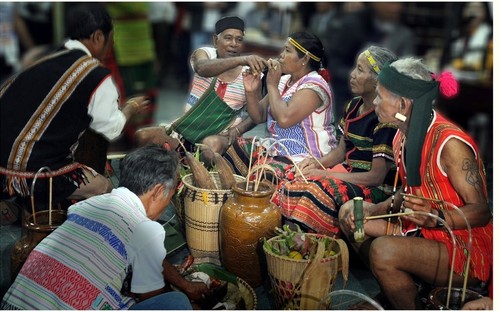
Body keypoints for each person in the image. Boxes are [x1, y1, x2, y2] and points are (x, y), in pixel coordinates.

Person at [339, 57, 493, 309]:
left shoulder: (451, 144)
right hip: (422, 231)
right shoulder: (402, 134)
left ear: (403, 103)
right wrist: (371, 211)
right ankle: (398, 293)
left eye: (380, 96)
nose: (374, 102)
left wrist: (435, 216)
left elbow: (482, 211)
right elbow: (407, 193)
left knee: (383, 251)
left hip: (463, 247)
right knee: (350, 215)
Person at [1, 144, 208, 309]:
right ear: (157, 191)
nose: (166, 206)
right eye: (169, 197)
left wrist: (185, 285)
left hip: (13, 305)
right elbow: (149, 295)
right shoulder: (145, 230)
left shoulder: (85, 206)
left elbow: (147, 252)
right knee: (175, 304)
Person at [0, 6, 149, 209]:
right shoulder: (95, 74)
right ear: (97, 37)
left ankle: (20, 208)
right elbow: (112, 129)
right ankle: (75, 234)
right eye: (111, 38)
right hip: (31, 175)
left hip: (2, 169)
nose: (112, 44)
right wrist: (131, 107)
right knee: (102, 187)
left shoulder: (45, 57)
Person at [271, 46, 398, 237]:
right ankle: (292, 239)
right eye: (355, 68)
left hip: (375, 188)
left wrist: (323, 174)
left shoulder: (385, 119)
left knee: (316, 190)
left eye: (360, 70)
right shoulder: (352, 106)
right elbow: (340, 151)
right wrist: (316, 164)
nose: (352, 74)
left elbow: (375, 177)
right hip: (350, 174)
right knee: (293, 177)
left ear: (378, 80)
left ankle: (318, 241)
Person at [135, 16, 268, 163]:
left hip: (218, 139)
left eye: (239, 40)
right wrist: (241, 59)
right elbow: (201, 68)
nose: (234, 44)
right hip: (184, 132)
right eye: (228, 38)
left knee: (210, 146)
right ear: (215, 40)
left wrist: (238, 130)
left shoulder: (250, 74)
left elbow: (257, 114)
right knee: (143, 136)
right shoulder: (205, 54)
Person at [224, 31, 336, 179]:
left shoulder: (315, 85)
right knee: (232, 150)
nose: (281, 55)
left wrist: (271, 84)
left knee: (265, 174)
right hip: (276, 151)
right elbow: (259, 115)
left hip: (305, 158)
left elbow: (284, 119)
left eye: (288, 51)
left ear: (305, 59)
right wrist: (251, 90)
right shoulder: (285, 81)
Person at [324, 2, 415, 126]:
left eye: (400, 3)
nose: (396, 8)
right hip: (347, 95)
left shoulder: (403, 35)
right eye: (392, 3)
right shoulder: (353, 25)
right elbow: (334, 62)